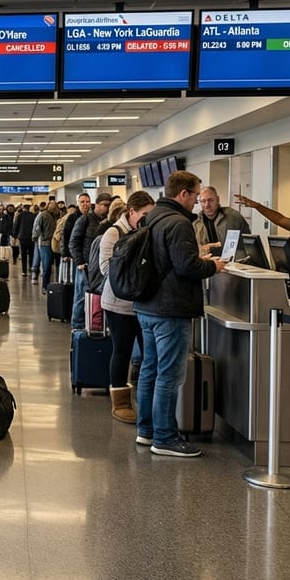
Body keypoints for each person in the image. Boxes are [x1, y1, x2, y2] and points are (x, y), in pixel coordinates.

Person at [133, 171, 226, 457]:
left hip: (147, 305)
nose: (198, 202)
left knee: (149, 369)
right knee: (169, 375)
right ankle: (165, 437)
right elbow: (186, 267)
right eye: (196, 196)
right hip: (170, 308)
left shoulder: (153, 217)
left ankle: (146, 430)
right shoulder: (179, 222)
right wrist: (213, 267)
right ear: (183, 194)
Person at [98, 191, 156, 423]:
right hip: (118, 304)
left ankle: (146, 398)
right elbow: (105, 268)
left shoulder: (148, 233)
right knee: (122, 350)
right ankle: (120, 401)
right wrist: (134, 272)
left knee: (147, 354)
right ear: (131, 212)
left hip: (144, 304)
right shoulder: (114, 233)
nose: (147, 219)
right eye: (144, 214)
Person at [70, 193, 113, 329]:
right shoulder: (85, 220)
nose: (107, 208)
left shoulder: (108, 222)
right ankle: (77, 325)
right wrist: (80, 262)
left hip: (99, 267)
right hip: (86, 266)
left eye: (109, 205)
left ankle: (93, 324)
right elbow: (74, 242)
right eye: (105, 205)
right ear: (98, 204)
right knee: (81, 297)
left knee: (95, 298)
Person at [193, 186, 250, 256]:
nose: (207, 205)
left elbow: (248, 244)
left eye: (210, 200)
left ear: (218, 199)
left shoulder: (234, 217)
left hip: (233, 263)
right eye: (203, 201)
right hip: (207, 263)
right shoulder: (195, 222)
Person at [30, 201, 58, 291]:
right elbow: (37, 227)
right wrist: (34, 236)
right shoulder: (43, 215)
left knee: (49, 265)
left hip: (53, 242)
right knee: (47, 265)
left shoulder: (56, 216)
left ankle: (49, 285)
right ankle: (45, 286)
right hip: (45, 243)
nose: (53, 208)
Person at [14, 203, 36, 274]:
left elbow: (16, 226)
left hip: (22, 237)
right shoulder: (33, 216)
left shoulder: (20, 215)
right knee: (31, 253)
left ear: (24, 208)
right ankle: (31, 267)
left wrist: (15, 236)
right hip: (31, 237)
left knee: (23, 254)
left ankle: (24, 271)